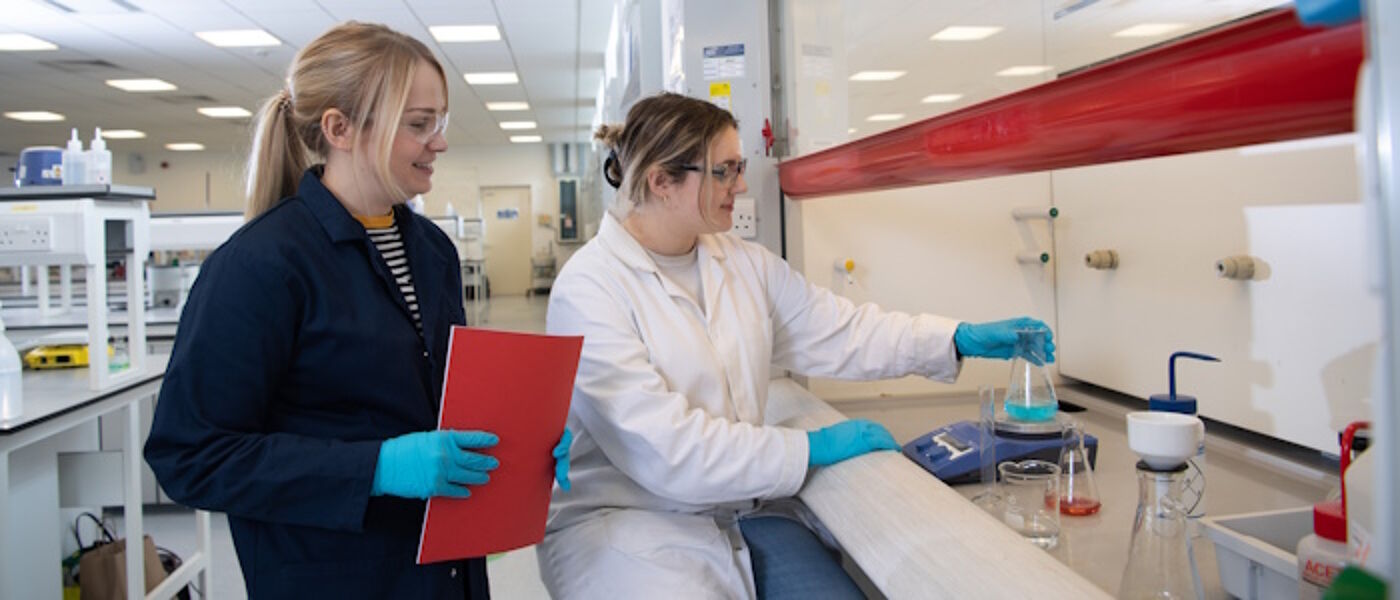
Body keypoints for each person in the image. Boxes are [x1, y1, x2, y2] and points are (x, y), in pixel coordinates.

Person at [538, 92, 1055, 598]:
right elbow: (668, 450)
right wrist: (810, 447)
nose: (740, 185)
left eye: (739, 167)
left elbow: (845, 330)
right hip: (628, 525)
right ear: (662, 182)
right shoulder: (590, 289)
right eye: (724, 171)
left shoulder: (742, 263)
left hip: (739, 508)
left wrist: (956, 338)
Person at [143, 22, 569, 599]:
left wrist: (519, 441)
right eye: (419, 125)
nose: (439, 142)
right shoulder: (262, 265)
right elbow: (190, 455)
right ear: (339, 128)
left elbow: (436, 396)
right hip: (335, 576)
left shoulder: (431, 250)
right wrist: (377, 468)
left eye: (438, 122)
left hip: (446, 572)